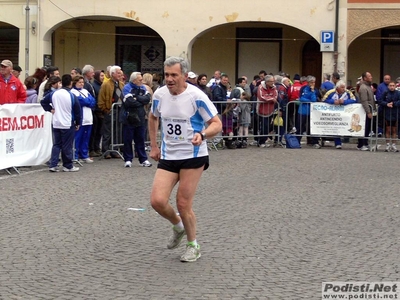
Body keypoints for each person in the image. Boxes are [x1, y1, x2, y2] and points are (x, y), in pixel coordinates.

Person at [148, 57, 221, 262]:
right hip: (169, 155)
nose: (169, 79)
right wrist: (154, 145)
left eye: (174, 75)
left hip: (193, 155)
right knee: (157, 201)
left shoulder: (196, 96)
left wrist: (204, 134)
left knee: (182, 203)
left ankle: (193, 245)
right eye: (166, 75)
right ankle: (178, 226)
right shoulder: (160, 95)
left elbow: (216, 124)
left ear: (183, 75)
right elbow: (153, 117)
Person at [41, 74, 81, 172]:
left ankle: (53, 164)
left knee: (56, 144)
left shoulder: (54, 94)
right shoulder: (72, 95)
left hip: (56, 122)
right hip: (67, 123)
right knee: (67, 145)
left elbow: (43, 102)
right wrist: (78, 122)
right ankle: (68, 165)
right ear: (71, 83)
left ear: (61, 83)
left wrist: (50, 109)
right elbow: (77, 110)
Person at [121, 72, 152, 168]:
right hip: (129, 117)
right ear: (134, 81)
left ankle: (143, 159)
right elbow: (129, 102)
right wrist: (141, 101)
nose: (142, 81)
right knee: (128, 139)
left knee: (140, 139)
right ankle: (128, 159)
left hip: (141, 116)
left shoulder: (142, 87)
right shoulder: (127, 87)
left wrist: (137, 98)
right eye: (140, 80)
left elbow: (147, 98)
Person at [98, 65, 124, 158]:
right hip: (110, 110)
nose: (120, 74)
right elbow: (101, 98)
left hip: (119, 110)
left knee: (117, 131)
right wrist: (105, 109)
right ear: (112, 74)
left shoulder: (121, 84)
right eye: (118, 72)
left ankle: (115, 150)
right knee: (107, 131)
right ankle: (106, 150)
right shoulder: (106, 84)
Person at [322, 80, 357, 149]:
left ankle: (345, 139)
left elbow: (354, 99)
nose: (344, 89)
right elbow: (324, 99)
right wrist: (333, 101)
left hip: (345, 114)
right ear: (337, 87)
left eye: (344, 87)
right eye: (342, 87)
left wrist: (345, 101)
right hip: (334, 114)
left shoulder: (348, 92)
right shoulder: (330, 92)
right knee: (336, 127)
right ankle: (337, 143)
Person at [71, 75, 96, 163]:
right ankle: (75, 155)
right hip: (81, 118)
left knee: (86, 138)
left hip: (89, 118)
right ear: (75, 83)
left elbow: (93, 101)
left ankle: (84, 155)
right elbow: (81, 101)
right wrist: (88, 101)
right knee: (78, 138)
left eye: (82, 82)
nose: (81, 84)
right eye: (79, 82)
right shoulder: (73, 92)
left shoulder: (85, 91)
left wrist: (88, 101)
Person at [296, 75, 320, 148]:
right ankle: (297, 141)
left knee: (311, 127)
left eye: (314, 82)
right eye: (311, 82)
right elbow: (301, 98)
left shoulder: (315, 90)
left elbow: (314, 100)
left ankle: (313, 141)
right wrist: (308, 101)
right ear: (308, 82)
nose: (313, 84)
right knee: (300, 126)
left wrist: (312, 92)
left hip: (312, 112)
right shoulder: (303, 88)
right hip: (302, 111)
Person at [378, 80, 400, 152]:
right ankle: (387, 144)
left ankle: (394, 145)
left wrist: (394, 104)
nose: (392, 87)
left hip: (395, 113)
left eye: (393, 86)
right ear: (388, 86)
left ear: (395, 86)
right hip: (387, 113)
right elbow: (380, 100)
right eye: (390, 86)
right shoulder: (385, 92)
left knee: (394, 129)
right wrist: (387, 104)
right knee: (387, 129)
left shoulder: (398, 93)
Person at [256, 75, 277, 147]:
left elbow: (275, 96)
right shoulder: (260, 87)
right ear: (267, 82)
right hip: (261, 110)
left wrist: (270, 98)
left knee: (268, 126)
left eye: (273, 81)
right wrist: (271, 99)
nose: (273, 83)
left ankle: (263, 141)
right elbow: (262, 97)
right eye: (271, 81)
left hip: (270, 110)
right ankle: (261, 142)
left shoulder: (274, 87)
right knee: (264, 126)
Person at [357, 72, 375, 151]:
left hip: (369, 110)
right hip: (365, 111)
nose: (371, 77)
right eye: (369, 76)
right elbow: (364, 101)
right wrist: (368, 112)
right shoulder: (363, 87)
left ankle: (365, 143)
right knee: (364, 127)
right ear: (365, 78)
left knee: (367, 128)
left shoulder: (368, 86)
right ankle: (362, 144)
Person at [89, 70, 105, 157]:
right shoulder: (94, 86)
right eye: (101, 76)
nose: (103, 77)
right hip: (96, 111)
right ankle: (91, 148)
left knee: (99, 131)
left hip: (101, 112)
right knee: (94, 131)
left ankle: (97, 147)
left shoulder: (102, 85)